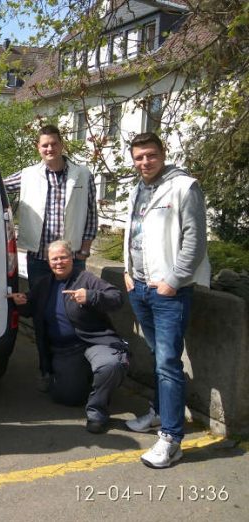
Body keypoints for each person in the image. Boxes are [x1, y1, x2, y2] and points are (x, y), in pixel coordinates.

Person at [123, 132, 210, 468]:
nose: (144, 162)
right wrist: (129, 272)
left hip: (167, 292)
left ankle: (172, 439)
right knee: (155, 355)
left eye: (150, 155)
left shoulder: (184, 187)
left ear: (163, 153)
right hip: (140, 287)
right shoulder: (137, 189)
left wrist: (173, 282)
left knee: (167, 364)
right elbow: (134, 233)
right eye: (139, 157)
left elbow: (195, 241)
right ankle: (160, 414)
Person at [9, 240, 129, 433]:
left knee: (111, 364)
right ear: (48, 262)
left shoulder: (86, 279)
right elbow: (30, 308)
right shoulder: (43, 284)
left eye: (63, 257)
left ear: (71, 258)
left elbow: (116, 297)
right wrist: (21, 302)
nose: (59, 262)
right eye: (54, 259)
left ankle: (97, 412)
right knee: (67, 398)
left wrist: (91, 296)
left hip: (94, 342)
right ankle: (85, 379)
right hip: (66, 351)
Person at [4, 125, 98, 288]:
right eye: (45, 145)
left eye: (54, 144)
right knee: (39, 306)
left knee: (72, 307)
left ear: (61, 145)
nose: (50, 148)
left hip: (72, 257)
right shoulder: (28, 174)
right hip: (39, 257)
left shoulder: (83, 174)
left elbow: (91, 215)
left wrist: (84, 252)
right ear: (38, 147)